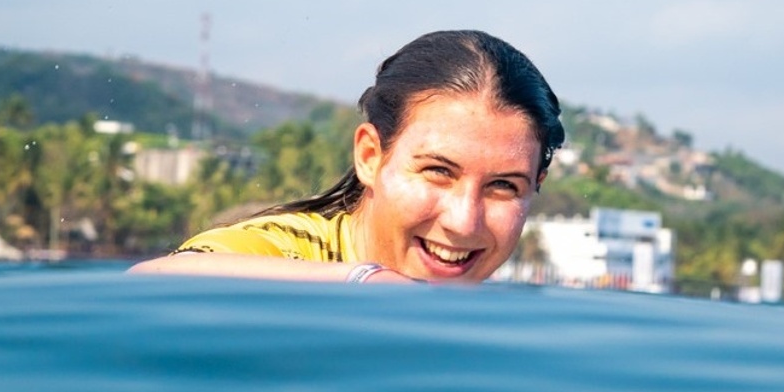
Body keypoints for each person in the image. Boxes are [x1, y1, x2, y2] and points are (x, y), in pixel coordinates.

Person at [128, 30, 565, 284]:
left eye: (503, 186)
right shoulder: (289, 253)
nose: (464, 221)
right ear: (370, 156)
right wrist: (368, 283)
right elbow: (153, 280)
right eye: (437, 172)